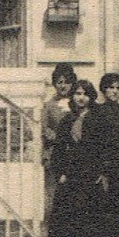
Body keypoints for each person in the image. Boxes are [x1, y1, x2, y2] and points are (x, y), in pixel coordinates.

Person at [45, 79, 102, 237]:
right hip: (72, 173)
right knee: (74, 214)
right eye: (77, 94)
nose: (81, 98)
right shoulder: (67, 120)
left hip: (92, 172)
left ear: (91, 97)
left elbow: (104, 148)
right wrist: (60, 172)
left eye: (85, 94)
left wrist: (103, 171)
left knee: (92, 214)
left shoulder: (97, 118)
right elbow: (59, 149)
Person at [39, 63, 78, 222]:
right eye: (60, 82)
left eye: (67, 82)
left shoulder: (78, 103)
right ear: (55, 84)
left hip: (75, 154)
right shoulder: (49, 105)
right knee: (54, 195)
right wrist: (51, 134)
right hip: (55, 153)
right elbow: (43, 128)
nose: (63, 86)